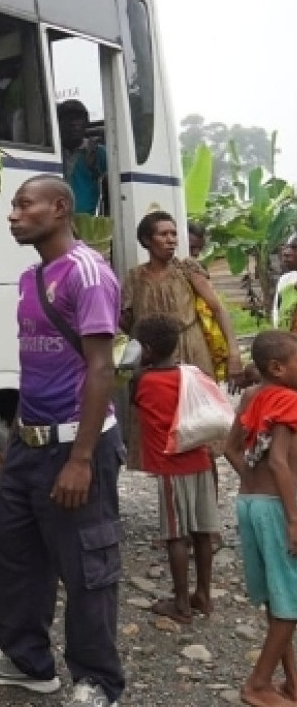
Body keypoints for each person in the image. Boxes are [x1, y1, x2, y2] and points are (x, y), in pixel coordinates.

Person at [0, 175, 125, 707]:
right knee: (12, 554)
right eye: (13, 205)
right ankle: (28, 663)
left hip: (76, 445)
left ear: (59, 209)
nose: (13, 214)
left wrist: (80, 459)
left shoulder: (88, 272)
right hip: (28, 443)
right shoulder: (30, 279)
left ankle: (98, 680)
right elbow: (35, 368)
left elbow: (102, 368)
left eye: (23, 204)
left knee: (87, 564)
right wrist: (17, 436)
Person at [120, 211, 245, 467]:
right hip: (153, 359)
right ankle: (174, 496)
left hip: (191, 350)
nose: (171, 240)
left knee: (200, 427)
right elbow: (125, 320)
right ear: (146, 240)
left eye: (174, 234)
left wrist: (234, 354)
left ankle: (205, 495)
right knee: (163, 430)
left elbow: (218, 309)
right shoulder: (134, 277)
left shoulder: (187, 269)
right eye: (163, 234)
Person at [224, 330, 297, 707]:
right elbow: (282, 462)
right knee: (292, 604)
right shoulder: (289, 400)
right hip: (276, 509)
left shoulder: (254, 396)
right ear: (278, 368)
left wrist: (252, 481)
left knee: (278, 599)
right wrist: (293, 518)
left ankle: (291, 683)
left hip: (249, 503)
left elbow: (230, 448)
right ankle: (258, 684)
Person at [130, 314, 219, 624]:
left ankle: (181, 603)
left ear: (149, 350)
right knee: (202, 532)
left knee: (175, 535)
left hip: (170, 467)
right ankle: (204, 595)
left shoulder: (143, 380)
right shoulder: (192, 375)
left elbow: (136, 404)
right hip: (201, 462)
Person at [58, 100, 107, 216]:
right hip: (56, 219)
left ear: (86, 123)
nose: (73, 124)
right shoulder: (51, 153)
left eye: (78, 119)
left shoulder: (98, 153)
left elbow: (111, 189)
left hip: (86, 222)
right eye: (68, 119)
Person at [273, 234, 297, 331]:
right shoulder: (285, 280)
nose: (286, 252)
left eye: (295, 248)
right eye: (287, 247)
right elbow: (277, 315)